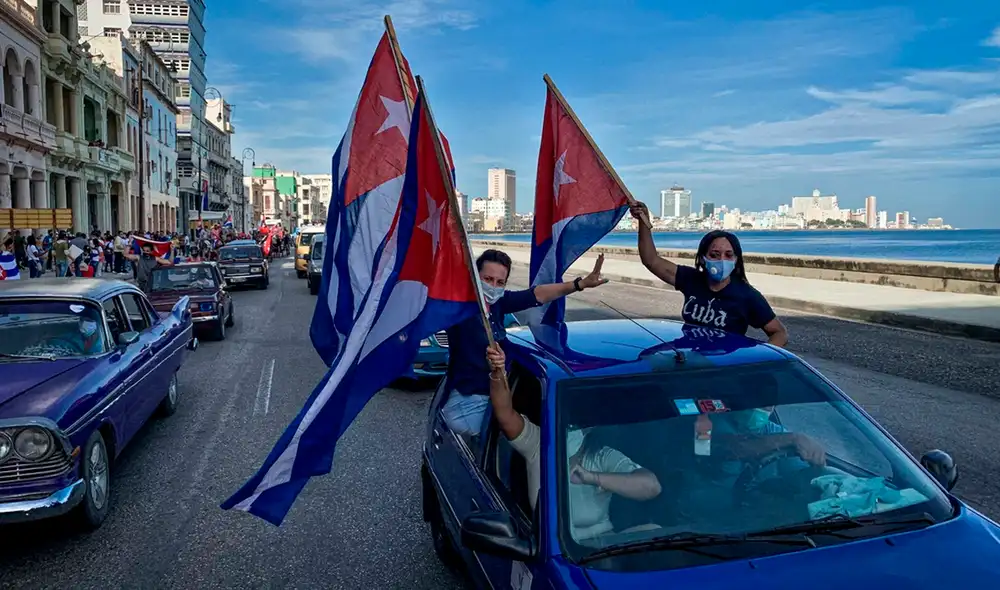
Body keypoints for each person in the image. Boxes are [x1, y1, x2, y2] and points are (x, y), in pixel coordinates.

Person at [486, 345, 661, 541]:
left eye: (581, 423)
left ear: (591, 428)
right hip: (552, 547)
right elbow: (504, 414)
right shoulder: (539, 443)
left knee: (653, 529)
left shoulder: (600, 455)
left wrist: (593, 478)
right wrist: (498, 372)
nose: (575, 429)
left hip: (606, 543)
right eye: (570, 422)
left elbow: (651, 487)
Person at [442, 248, 609, 440]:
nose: (493, 286)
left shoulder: (497, 303)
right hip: (470, 403)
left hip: (503, 390)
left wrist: (579, 284)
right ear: (474, 276)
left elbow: (536, 295)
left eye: (500, 282)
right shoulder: (458, 308)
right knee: (528, 440)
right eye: (487, 279)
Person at [629, 202, 788, 347]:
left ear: (736, 259)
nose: (722, 260)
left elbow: (778, 332)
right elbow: (651, 260)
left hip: (723, 365)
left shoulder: (747, 296)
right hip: (690, 356)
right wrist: (644, 222)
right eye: (714, 255)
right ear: (703, 259)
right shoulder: (691, 279)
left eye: (728, 255)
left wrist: (760, 358)